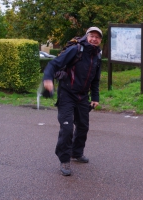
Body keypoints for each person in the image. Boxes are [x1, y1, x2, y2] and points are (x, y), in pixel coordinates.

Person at [42, 27, 103, 176]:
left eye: (97, 37)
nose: (94, 39)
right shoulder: (76, 50)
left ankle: (76, 153)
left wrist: (95, 97)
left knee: (83, 126)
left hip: (83, 96)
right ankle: (64, 159)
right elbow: (53, 64)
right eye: (92, 36)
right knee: (67, 128)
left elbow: (95, 80)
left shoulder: (97, 56)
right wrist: (48, 79)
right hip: (67, 94)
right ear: (86, 36)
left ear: (100, 40)